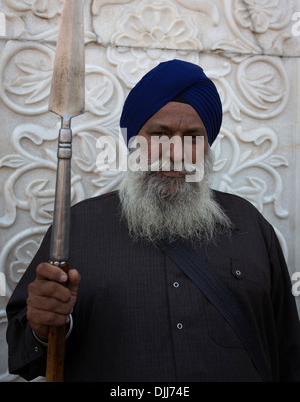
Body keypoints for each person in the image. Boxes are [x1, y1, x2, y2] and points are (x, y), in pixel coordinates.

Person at [6, 59, 300, 382]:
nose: (175, 152)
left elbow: (288, 352)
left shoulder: (251, 227)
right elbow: (23, 353)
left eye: (192, 137)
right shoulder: (77, 227)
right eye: (159, 134)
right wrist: (40, 326)